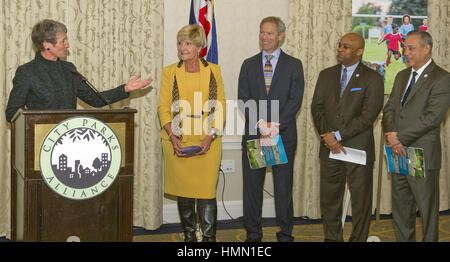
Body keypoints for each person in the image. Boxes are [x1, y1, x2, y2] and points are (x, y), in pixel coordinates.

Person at [311, 33, 384, 242]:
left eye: (347, 47)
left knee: (361, 203)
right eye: (340, 45)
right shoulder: (326, 75)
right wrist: (328, 137)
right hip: (330, 149)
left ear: (359, 51)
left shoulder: (373, 78)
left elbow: (368, 116)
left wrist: (338, 135)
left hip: (357, 150)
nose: (340, 49)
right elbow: (317, 108)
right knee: (329, 200)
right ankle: (333, 239)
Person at [5, 19, 152, 122]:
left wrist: (125, 88)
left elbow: (95, 99)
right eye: (63, 41)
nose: (67, 45)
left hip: (70, 142)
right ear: (47, 45)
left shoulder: (69, 70)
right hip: (39, 144)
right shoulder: (27, 72)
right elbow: (12, 113)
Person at [238, 16, 304, 242]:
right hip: (255, 135)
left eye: (269, 33)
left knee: (284, 190)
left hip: (282, 137)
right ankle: (253, 234)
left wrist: (274, 126)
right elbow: (243, 99)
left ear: (280, 36)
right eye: (262, 32)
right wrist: (261, 125)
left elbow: (295, 101)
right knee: (252, 190)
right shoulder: (248, 64)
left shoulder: (294, 65)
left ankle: (285, 234)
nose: (264, 37)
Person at [157, 24, 226, 242]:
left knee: (206, 192)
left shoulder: (213, 70)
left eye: (187, 43)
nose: (182, 48)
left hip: (209, 140)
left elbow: (220, 104)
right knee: (184, 191)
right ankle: (189, 238)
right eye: (180, 43)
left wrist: (210, 136)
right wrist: (172, 135)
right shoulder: (170, 72)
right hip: (177, 140)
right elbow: (163, 107)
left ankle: (208, 239)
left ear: (199, 47)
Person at [382, 31, 450, 242]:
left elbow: (432, 118)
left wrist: (399, 137)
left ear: (426, 48)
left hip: (421, 153)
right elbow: (390, 109)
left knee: (427, 212)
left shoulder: (442, 78)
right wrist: (393, 138)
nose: (405, 52)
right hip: (398, 153)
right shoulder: (402, 75)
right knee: (401, 209)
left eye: (411, 48)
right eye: (404, 48)